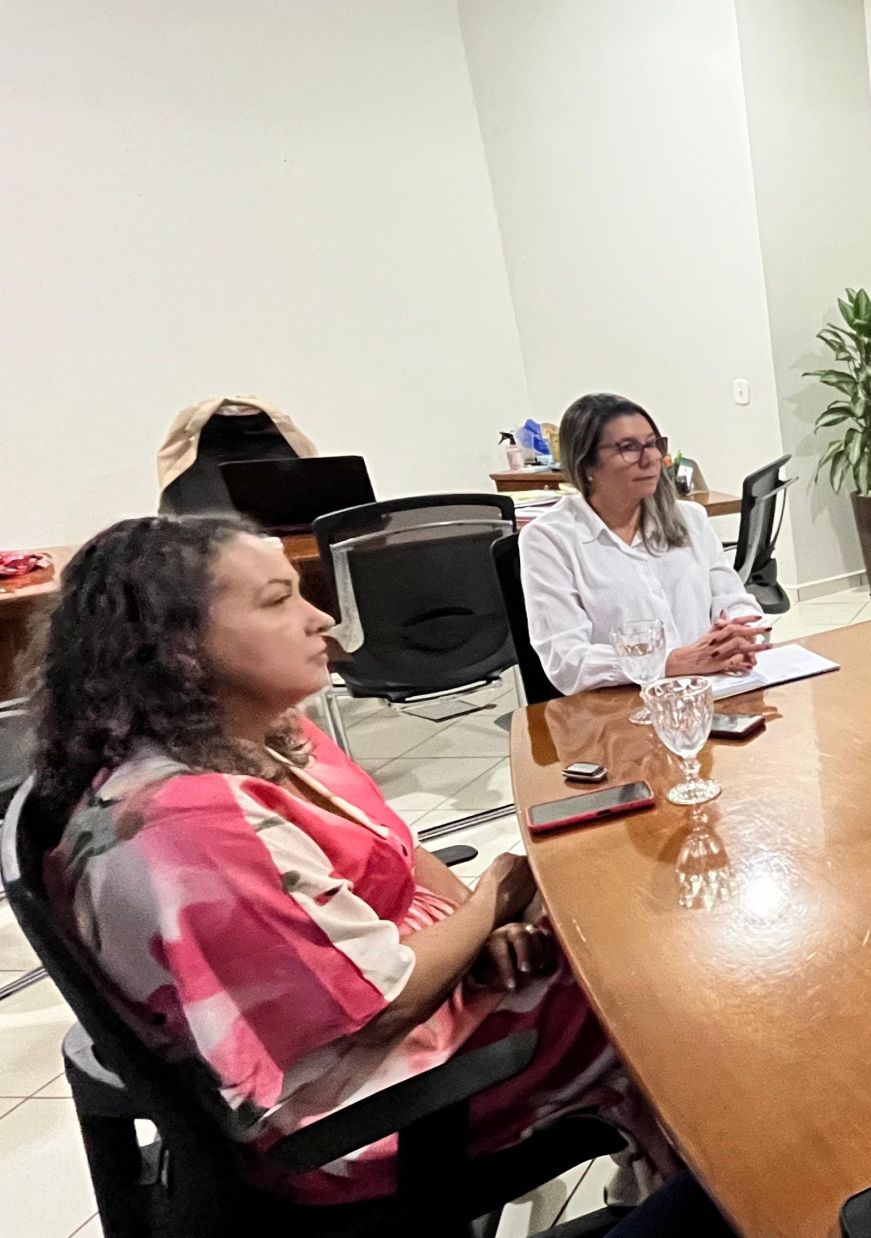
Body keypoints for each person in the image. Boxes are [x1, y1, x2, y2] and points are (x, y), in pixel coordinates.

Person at [23, 515, 680, 1206]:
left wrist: (484, 932)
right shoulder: (193, 826)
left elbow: (401, 853)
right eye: (278, 601)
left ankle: (657, 1181)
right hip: (361, 1108)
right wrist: (495, 896)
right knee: (651, 998)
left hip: (414, 1007)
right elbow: (384, 1003)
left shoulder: (260, 733)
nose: (322, 619)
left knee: (618, 932)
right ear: (179, 646)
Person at [520, 393, 768, 695]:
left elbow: (733, 599)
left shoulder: (689, 518)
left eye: (652, 444)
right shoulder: (549, 539)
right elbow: (567, 660)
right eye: (628, 448)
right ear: (585, 465)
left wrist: (740, 637)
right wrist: (670, 662)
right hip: (619, 704)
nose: (650, 458)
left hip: (711, 690)